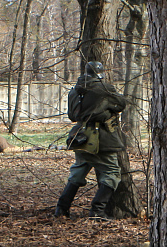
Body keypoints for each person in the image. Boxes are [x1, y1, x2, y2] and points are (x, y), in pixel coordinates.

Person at [54, 61, 127, 220]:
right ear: (100, 73)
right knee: (112, 173)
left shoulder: (75, 91)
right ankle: (97, 211)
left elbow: (73, 116)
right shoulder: (104, 89)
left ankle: (61, 209)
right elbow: (121, 103)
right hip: (101, 138)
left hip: (79, 136)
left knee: (78, 172)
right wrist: (105, 112)